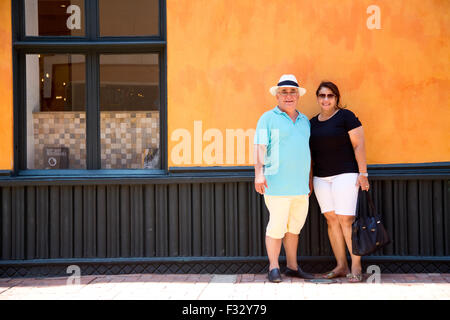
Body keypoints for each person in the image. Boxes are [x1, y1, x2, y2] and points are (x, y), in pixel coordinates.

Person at [254, 74, 315, 283]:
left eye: (292, 92)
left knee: (294, 228)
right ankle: (273, 268)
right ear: (277, 95)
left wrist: (309, 179)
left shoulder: (305, 120)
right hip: (276, 184)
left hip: (300, 186)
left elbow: (306, 151)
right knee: (276, 227)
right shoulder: (267, 118)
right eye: (284, 92)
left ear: (298, 95)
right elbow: (260, 147)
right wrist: (258, 174)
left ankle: (292, 266)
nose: (288, 95)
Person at [309, 81, 370, 283]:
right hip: (321, 178)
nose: (326, 99)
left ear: (337, 98)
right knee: (331, 220)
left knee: (346, 220)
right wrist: (309, 181)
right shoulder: (312, 123)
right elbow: (309, 156)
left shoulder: (346, 117)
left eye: (330, 96)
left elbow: (359, 144)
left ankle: (356, 265)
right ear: (317, 98)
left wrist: (363, 174)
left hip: (346, 175)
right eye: (322, 96)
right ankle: (341, 266)